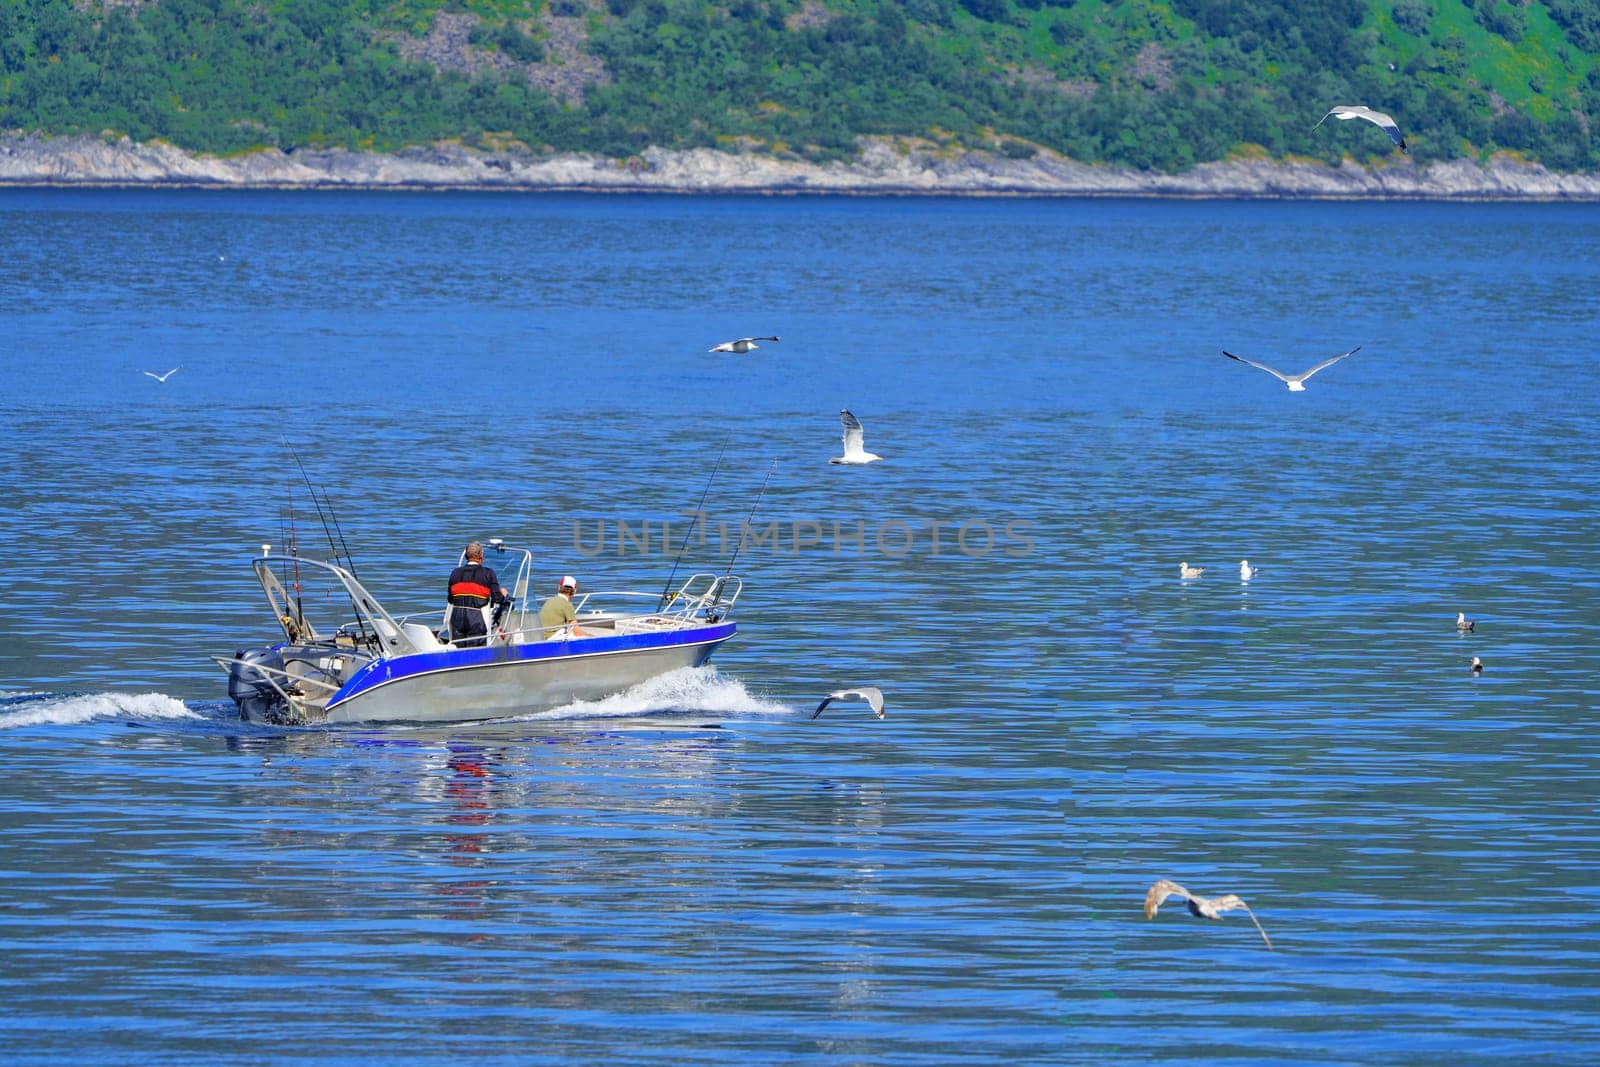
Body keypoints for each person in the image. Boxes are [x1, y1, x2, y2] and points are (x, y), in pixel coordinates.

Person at [446, 542, 509, 647]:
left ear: (466, 556)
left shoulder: (455, 573)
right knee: (477, 649)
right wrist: (504, 595)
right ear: (481, 556)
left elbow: (450, 599)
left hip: (457, 618)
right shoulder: (488, 574)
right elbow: (497, 598)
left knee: (458, 648)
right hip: (477, 620)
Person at [539, 575, 591, 640]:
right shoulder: (567, 604)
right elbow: (577, 632)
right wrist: (591, 636)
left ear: (559, 587)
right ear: (574, 591)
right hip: (553, 638)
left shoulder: (549, 601)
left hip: (543, 636)